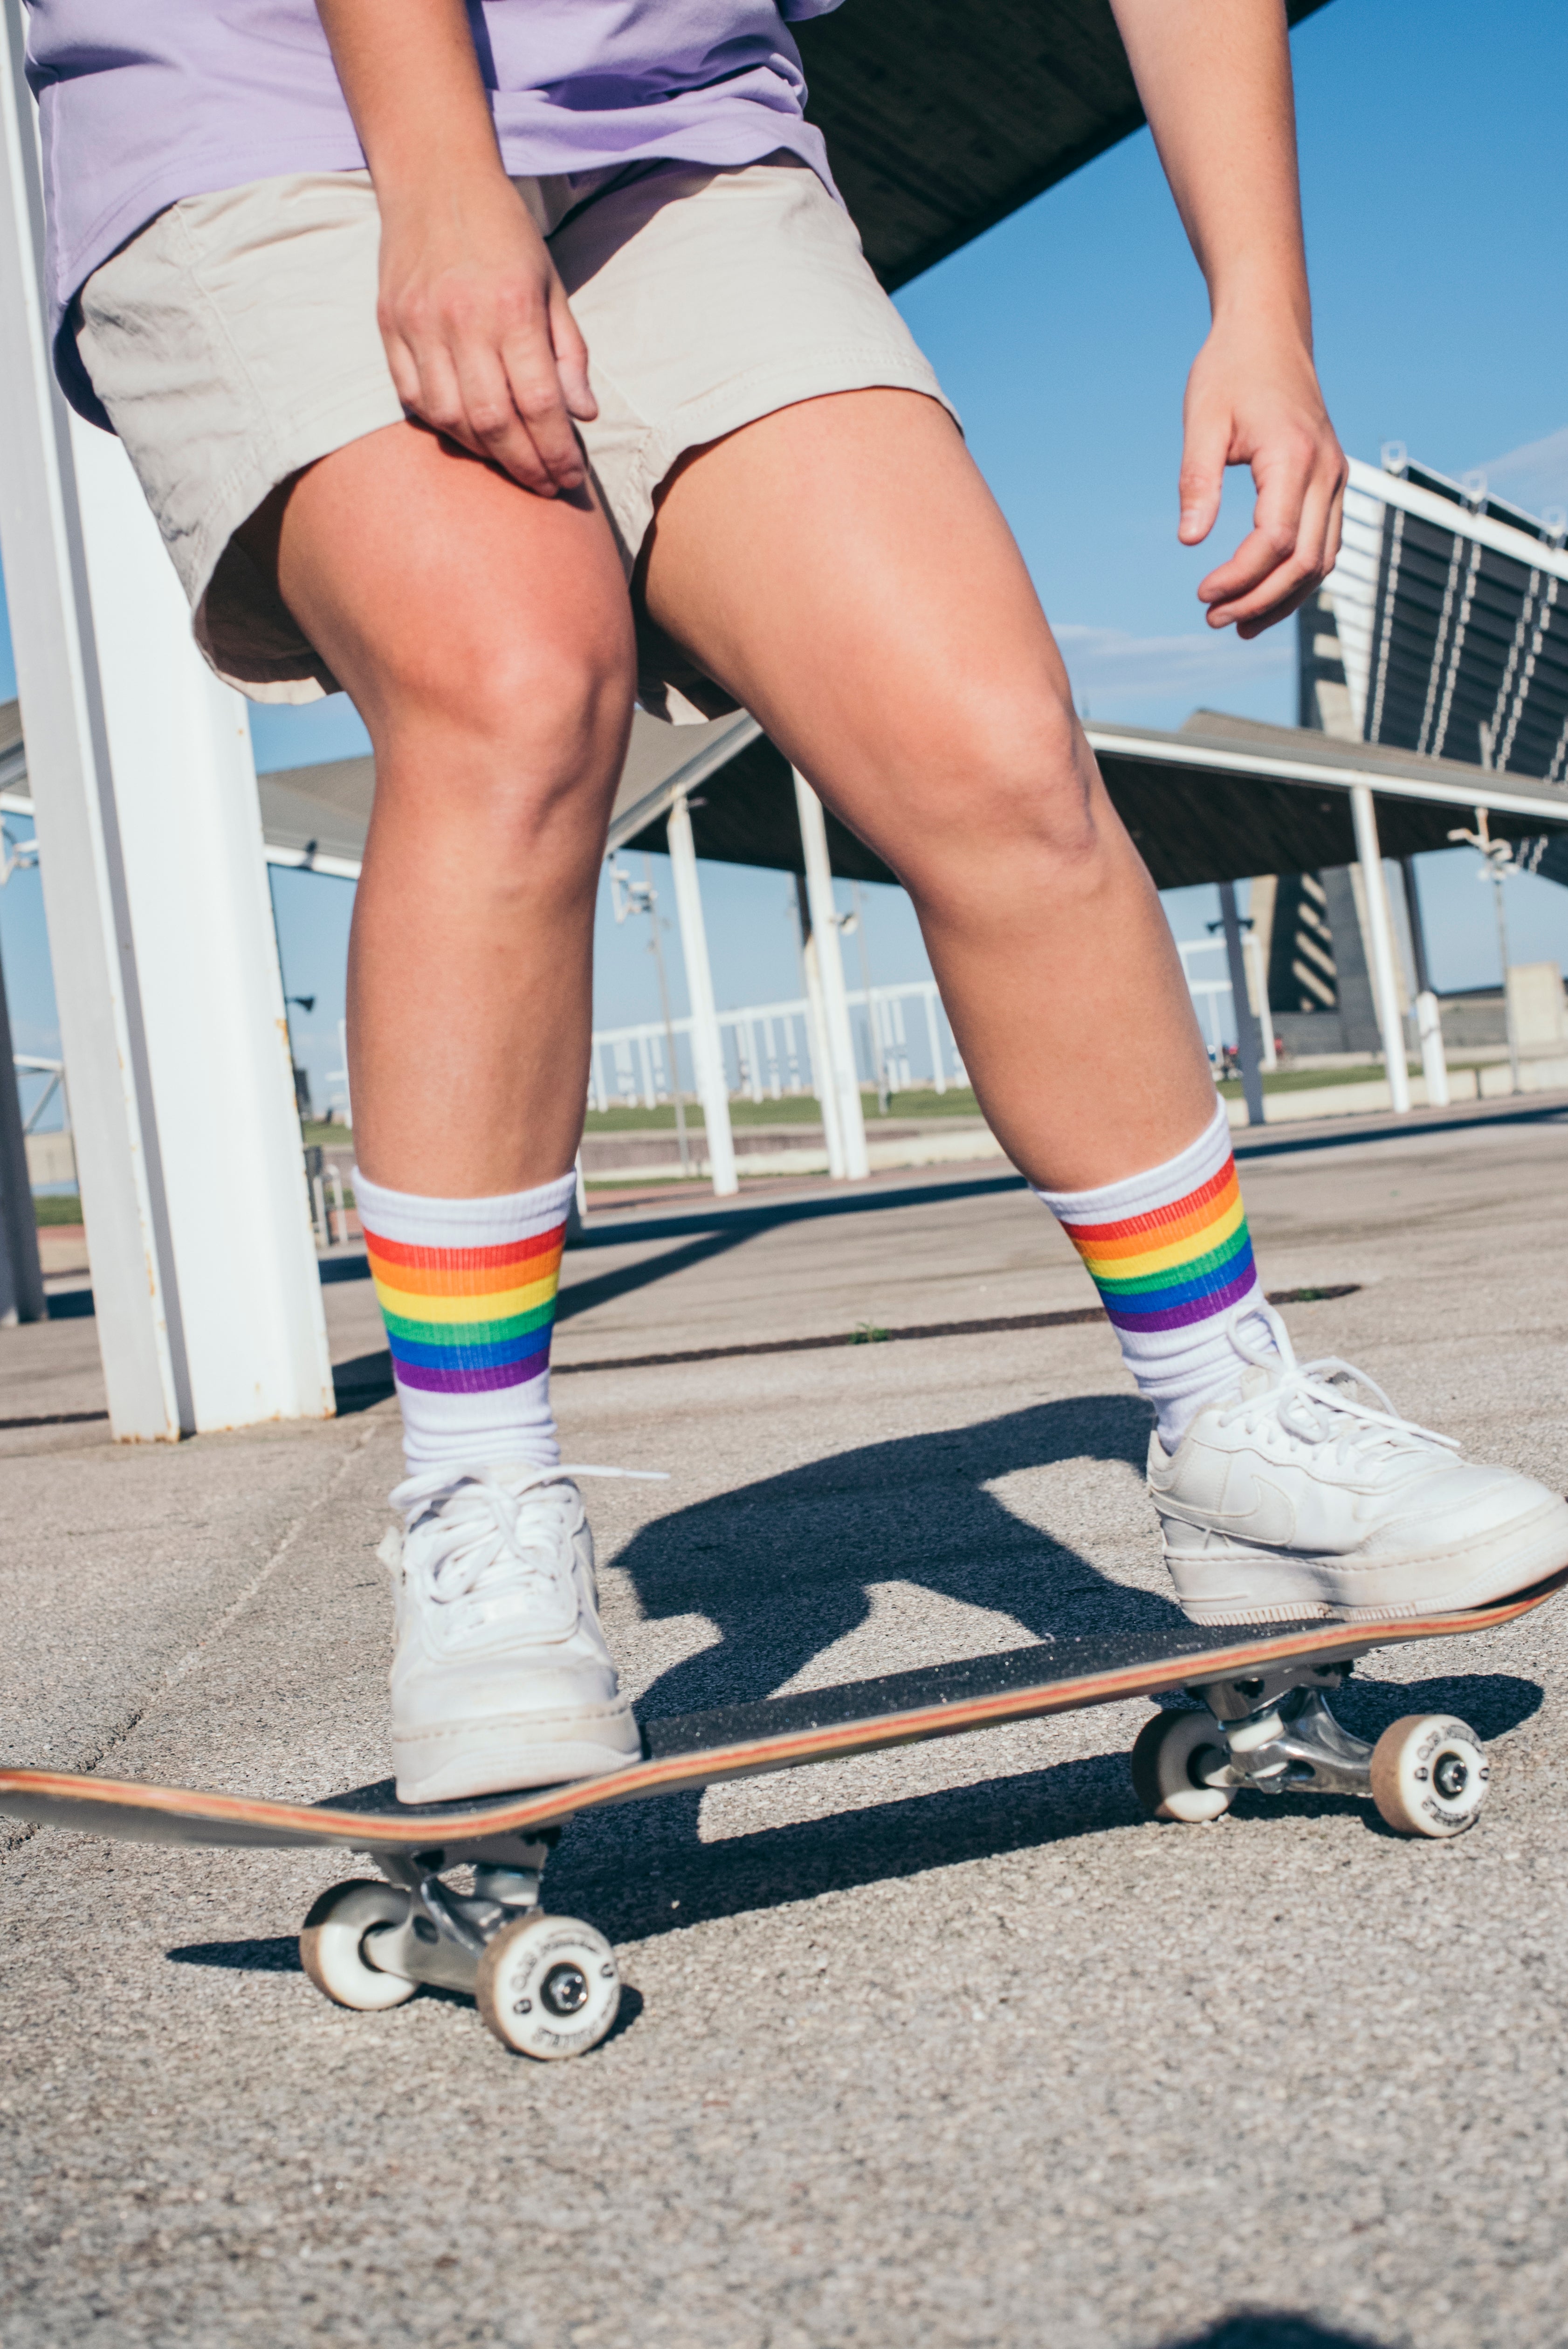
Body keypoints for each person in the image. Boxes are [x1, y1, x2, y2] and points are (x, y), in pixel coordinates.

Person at [24, 0, 1567, 1805]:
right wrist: (441, 180)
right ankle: (480, 1520)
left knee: (986, 744)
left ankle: (1232, 1420)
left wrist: (1260, 308)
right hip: (270, 87)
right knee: (515, 681)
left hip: (672, 116)